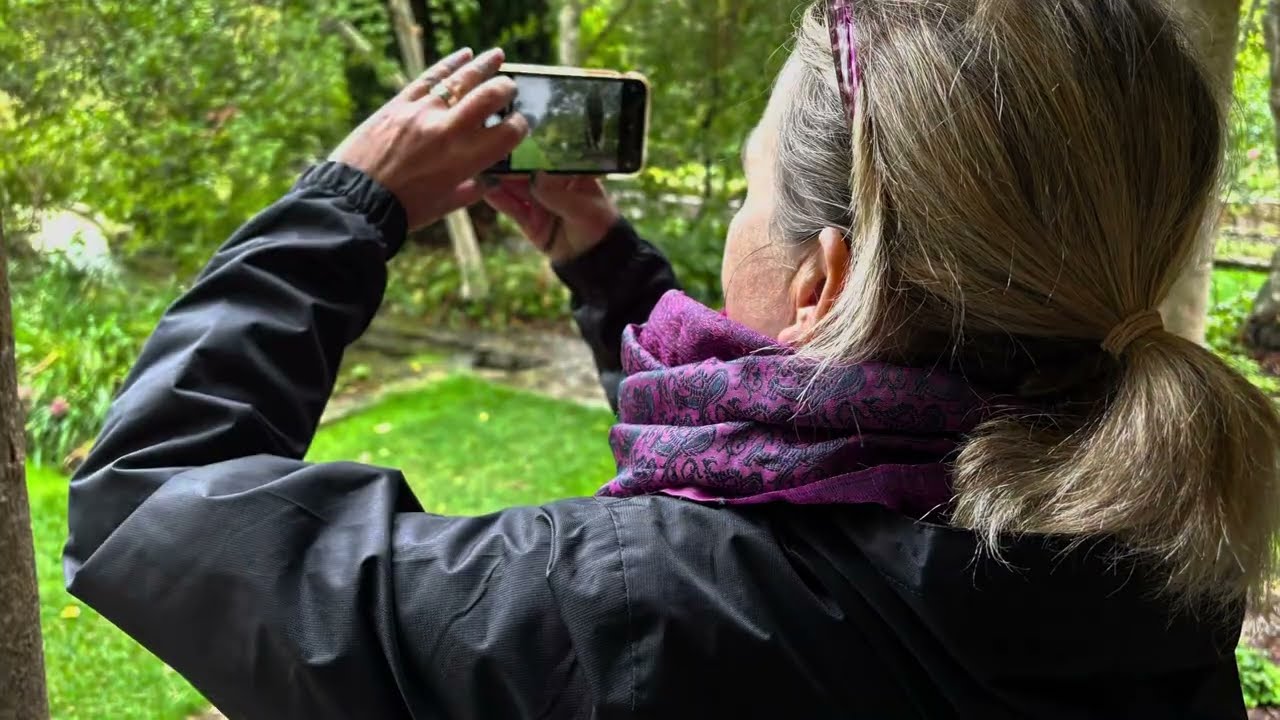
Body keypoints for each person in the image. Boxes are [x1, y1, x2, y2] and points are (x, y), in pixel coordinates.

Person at [64, 2, 1279, 718]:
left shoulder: (621, 610)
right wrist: (603, 268)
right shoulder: (1152, 546)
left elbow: (148, 507)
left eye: (751, 194)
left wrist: (348, 202)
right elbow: (785, 486)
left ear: (822, 282)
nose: (742, 220)